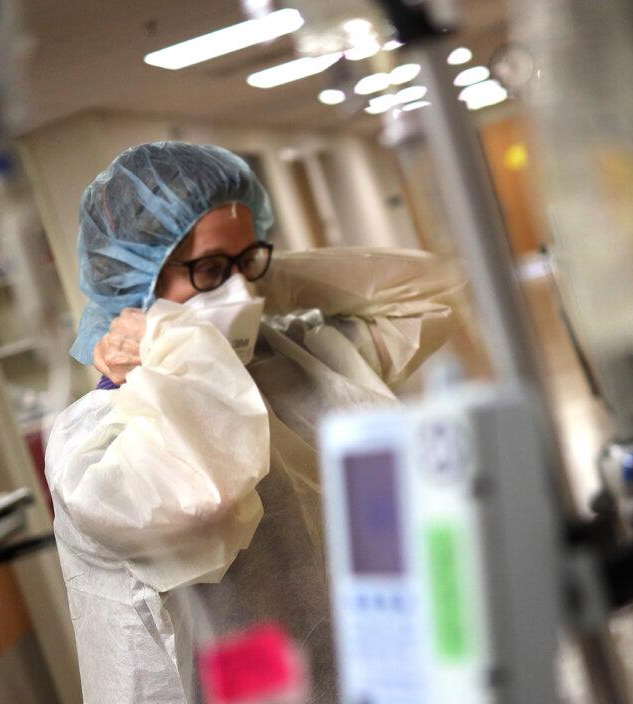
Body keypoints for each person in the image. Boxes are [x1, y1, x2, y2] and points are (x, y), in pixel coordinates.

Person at [46, 141, 461, 704]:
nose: (240, 291)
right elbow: (202, 486)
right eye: (211, 270)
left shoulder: (304, 360)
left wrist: (272, 279)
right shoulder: (97, 440)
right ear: (132, 283)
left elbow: (435, 291)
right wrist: (177, 346)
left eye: (249, 263)